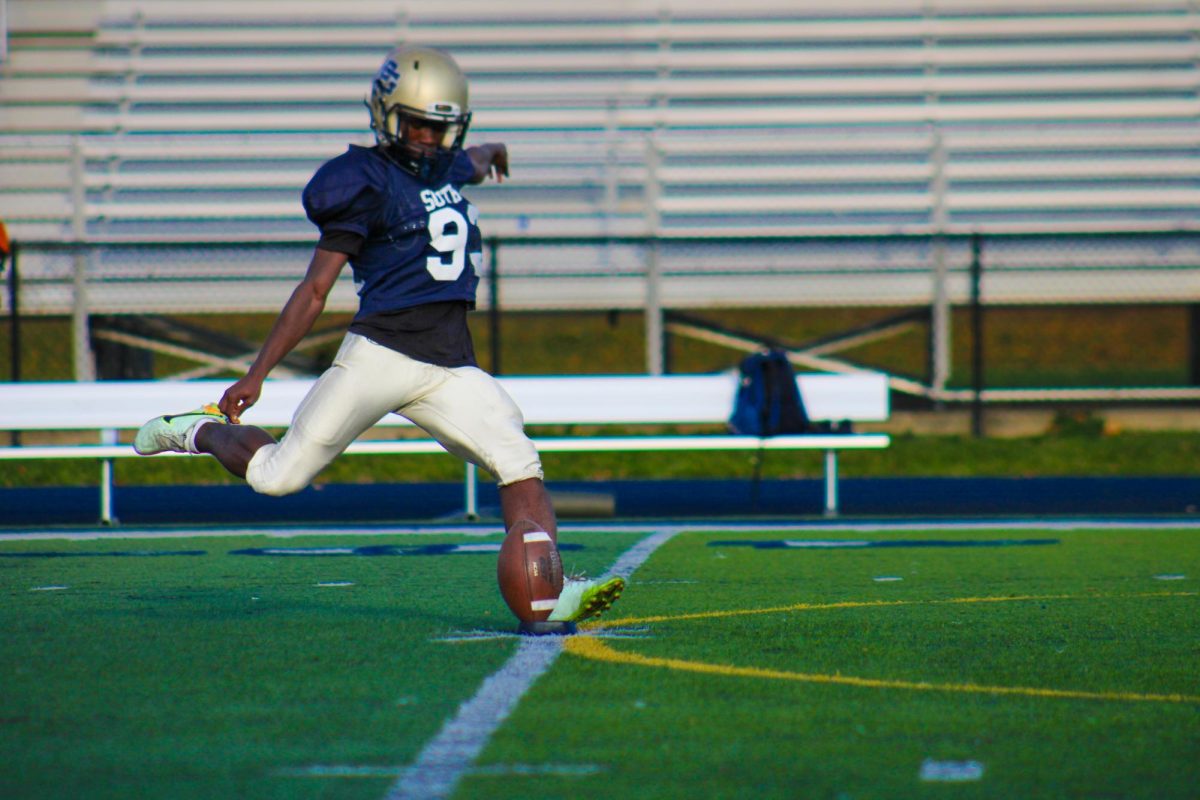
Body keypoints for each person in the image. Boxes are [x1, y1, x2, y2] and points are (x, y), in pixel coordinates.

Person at [133, 46, 623, 625]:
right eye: (416, 124)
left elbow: (466, 160)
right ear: (386, 115)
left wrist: (491, 155)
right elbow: (315, 291)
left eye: (439, 128)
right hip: (381, 356)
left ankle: (550, 587)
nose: (426, 139)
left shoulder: (444, 163)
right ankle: (199, 430)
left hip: (449, 366)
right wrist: (257, 373)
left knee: (519, 462)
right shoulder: (363, 181)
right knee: (276, 478)